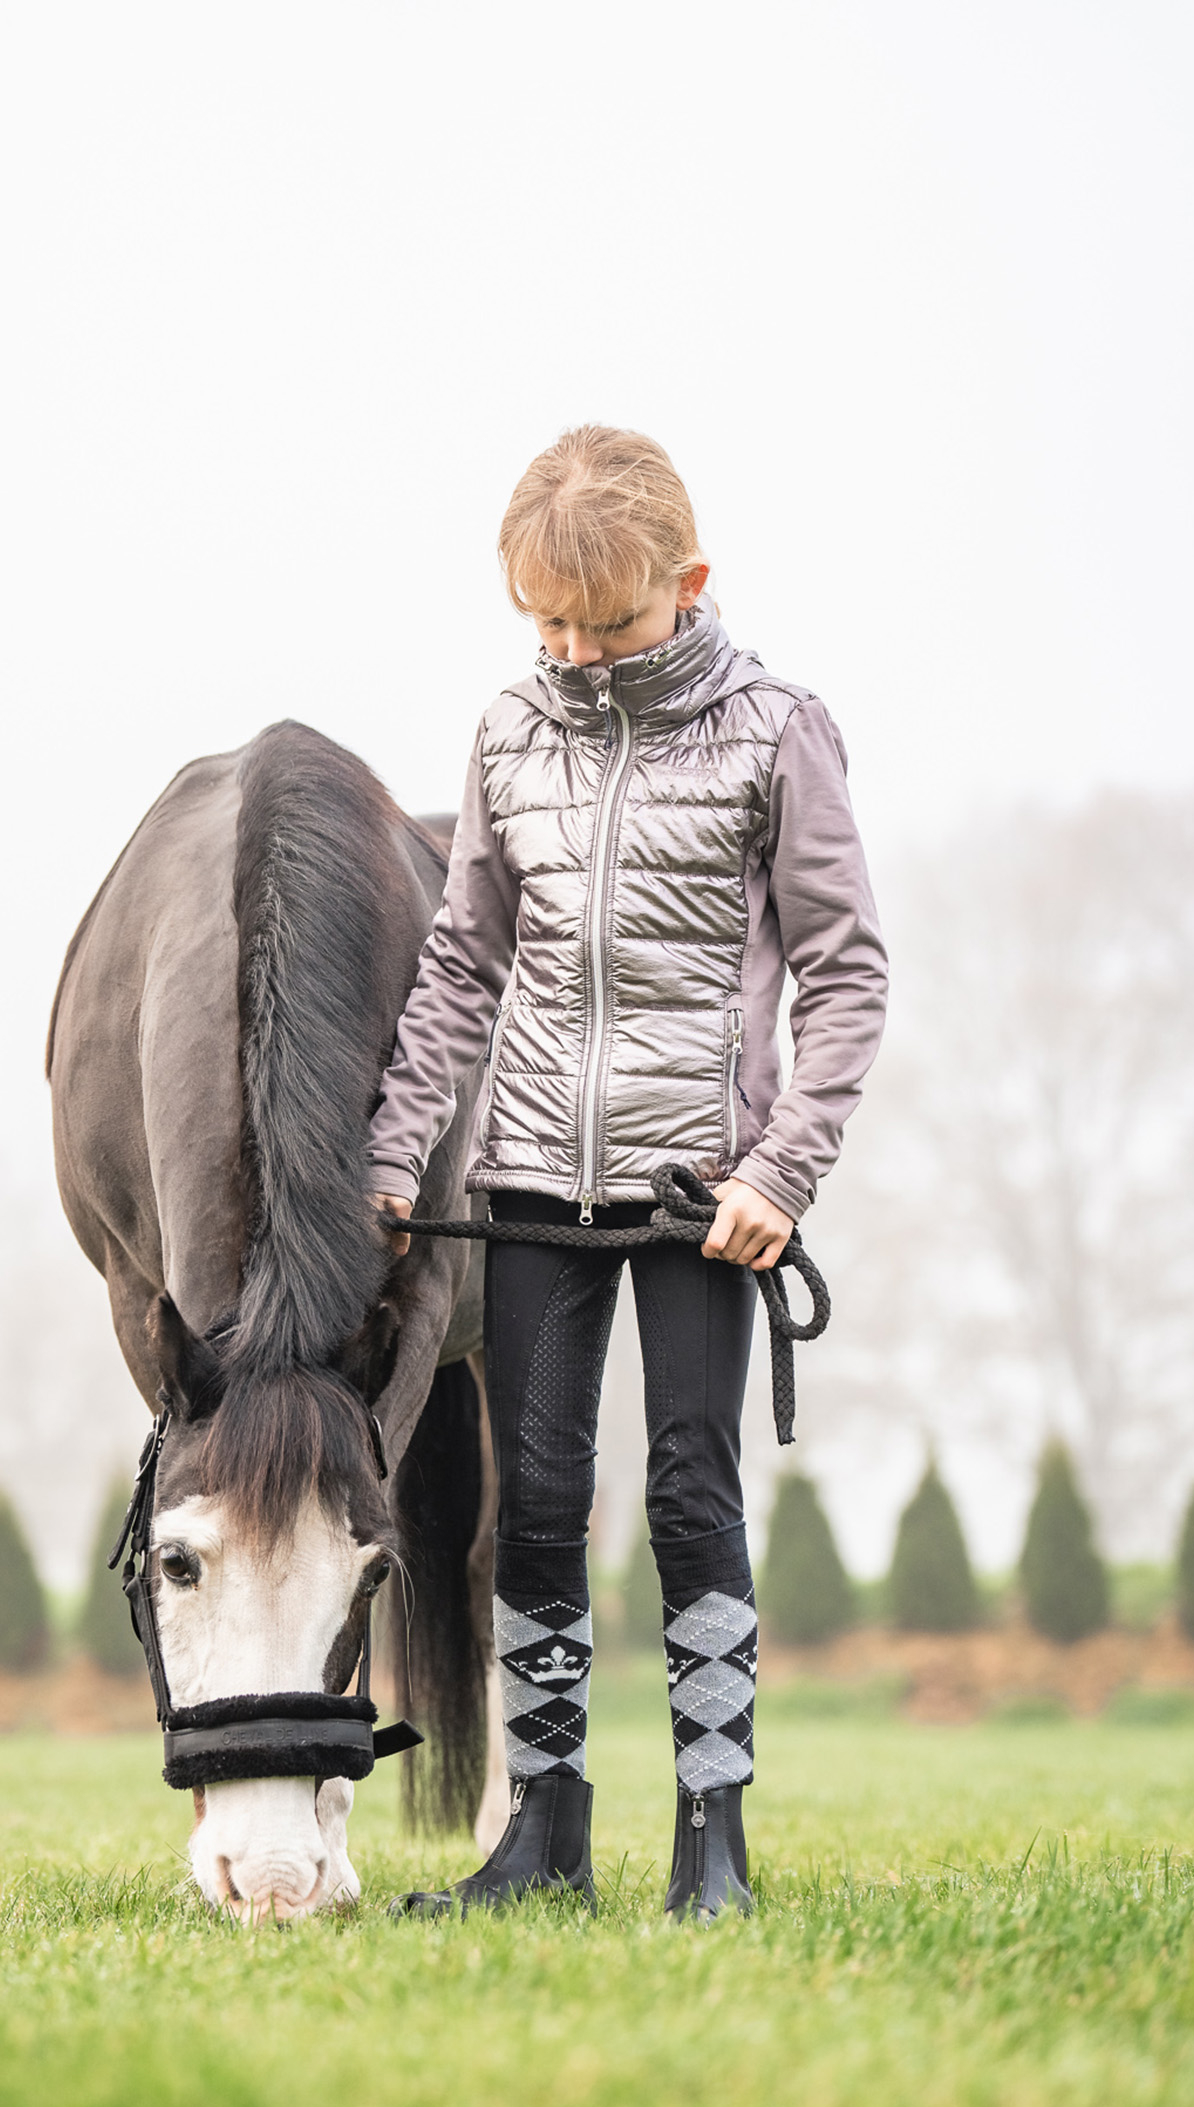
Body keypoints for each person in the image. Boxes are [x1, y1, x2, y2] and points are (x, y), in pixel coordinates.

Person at [370, 426, 888, 1919]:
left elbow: (847, 974)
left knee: (687, 1489)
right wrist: (396, 1151)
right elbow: (463, 966)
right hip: (532, 1180)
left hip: (700, 1198)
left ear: (690, 580)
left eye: (609, 621)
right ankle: (543, 1837)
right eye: (549, 624)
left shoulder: (778, 733)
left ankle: (712, 1842)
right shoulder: (507, 734)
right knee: (533, 1504)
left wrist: (782, 1172)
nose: (578, 653)